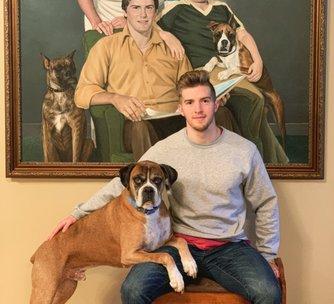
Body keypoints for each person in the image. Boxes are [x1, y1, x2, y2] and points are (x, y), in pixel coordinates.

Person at [49, 70, 282, 304]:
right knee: (133, 291)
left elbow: (265, 203)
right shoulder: (165, 149)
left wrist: (268, 255)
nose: (198, 109)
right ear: (181, 108)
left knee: (268, 292)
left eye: (205, 101)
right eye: (190, 102)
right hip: (176, 243)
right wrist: (77, 213)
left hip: (229, 248)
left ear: (216, 103)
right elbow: (119, 185)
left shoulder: (244, 150)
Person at [157, 0, 288, 164]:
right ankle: (264, 159)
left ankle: (269, 161)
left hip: (229, 68)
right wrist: (168, 36)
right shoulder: (177, 9)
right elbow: (154, 27)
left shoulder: (221, 7)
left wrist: (258, 60)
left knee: (256, 101)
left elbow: (242, 34)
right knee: (253, 100)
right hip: (203, 73)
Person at [74, 0, 192, 160]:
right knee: (140, 126)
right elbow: (82, 93)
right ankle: (149, 183)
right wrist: (115, 98)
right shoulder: (106, 46)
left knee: (219, 112)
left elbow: (190, 85)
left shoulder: (172, 46)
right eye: (136, 8)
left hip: (176, 118)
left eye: (149, 8)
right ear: (125, 12)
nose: (143, 15)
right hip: (137, 123)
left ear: (155, 12)